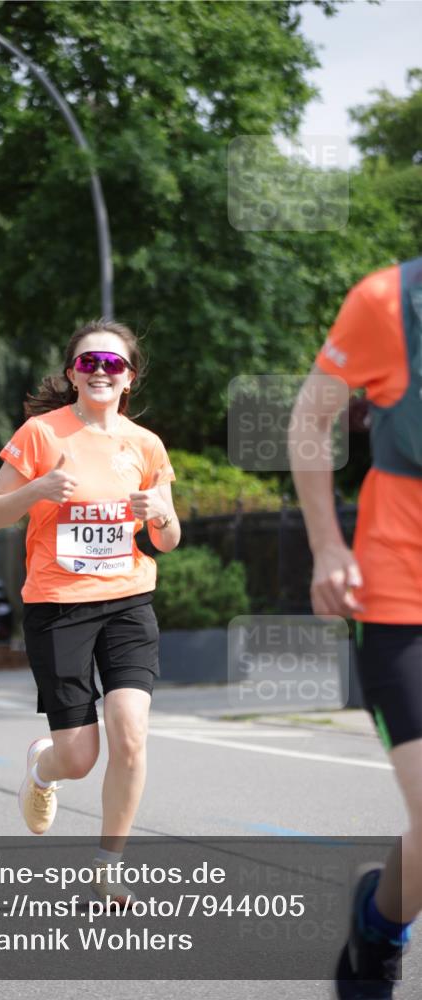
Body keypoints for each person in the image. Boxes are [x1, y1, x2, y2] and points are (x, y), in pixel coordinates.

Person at [0, 319, 180, 904]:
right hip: (58, 606)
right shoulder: (42, 435)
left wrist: (161, 517)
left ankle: (107, 864)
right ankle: (45, 768)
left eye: (112, 364)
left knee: (131, 733)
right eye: (88, 362)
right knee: (80, 757)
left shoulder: (145, 446)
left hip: (128, 602)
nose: (99, 371)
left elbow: (167, 538)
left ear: (129, 379)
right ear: (72, 373)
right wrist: (35, 492)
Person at [289, 257, 422, 999]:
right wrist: (326, 544)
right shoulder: (385, 302)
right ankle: (376, 933)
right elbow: (309, 417)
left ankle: (377, 919)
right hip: (402, 598)